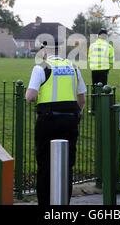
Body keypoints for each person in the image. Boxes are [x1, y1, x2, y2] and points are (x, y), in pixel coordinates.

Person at [26, 41, 86, 205]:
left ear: (45, 51)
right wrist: (76, 115)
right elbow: (82, 99)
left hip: (48, 121)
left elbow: (30, 96)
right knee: (67, 165)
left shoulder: (42, 67)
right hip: (70, 121)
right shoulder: (73, 68)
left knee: (45, 165)